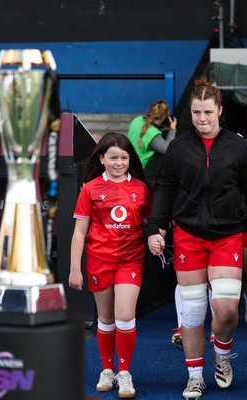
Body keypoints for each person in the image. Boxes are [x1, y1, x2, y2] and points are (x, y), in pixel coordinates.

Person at [145, 77, 247, 399]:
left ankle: (223, 354)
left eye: (208, 112)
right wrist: (155, 227)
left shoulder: (236, 148)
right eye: (196, 112)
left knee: (227, 311)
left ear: (220, 111)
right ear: (191, 111)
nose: (202, 119)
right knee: (192, 312)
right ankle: (195, 376)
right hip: (188, 235)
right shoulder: (179, 148)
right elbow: (165, 190)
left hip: (228, 235)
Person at [69, 132, 151, 399]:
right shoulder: (90, 188)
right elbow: (80, 232)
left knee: (125, 315)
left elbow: (148, 223)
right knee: (105, 318)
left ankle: (124, 372)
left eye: (124, 157)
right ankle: (107, 369)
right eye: (113, 157)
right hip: (99, 260)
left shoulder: (140, 188)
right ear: (101, 158)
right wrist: (74, 268)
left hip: (130, 259)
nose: (119, 163)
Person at [127, 99, 177, 185]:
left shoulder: (137, 120)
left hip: (129, 165)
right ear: (165, 117)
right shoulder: (153, 134)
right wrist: (173, 129)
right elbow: (168, 148)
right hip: (141, 171)